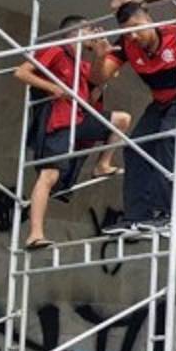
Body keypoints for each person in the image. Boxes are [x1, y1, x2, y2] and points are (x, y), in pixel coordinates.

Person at [96, 2, 176, 235]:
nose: (134, 36)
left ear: (149, 19)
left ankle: (165, 215)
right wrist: (99, 57)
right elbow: (100, 77)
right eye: (127, 32)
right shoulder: (126, 45)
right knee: (135, 148)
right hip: (163, 102)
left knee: (168, 138)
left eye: (137, 28)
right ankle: (136, 217)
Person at [16, 16, 132, 249]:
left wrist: (102, 58)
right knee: (49, 175)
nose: (93, 34)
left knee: (122, 120)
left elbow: (93, 96)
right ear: (76, 32)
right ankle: (35, 234)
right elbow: (21, 72)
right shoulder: (57, 50)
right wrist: (53, 87)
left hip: (78, 118)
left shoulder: (82, 65)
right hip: (59, 121)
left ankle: (102, 165)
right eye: (89, 29)